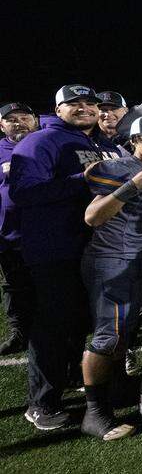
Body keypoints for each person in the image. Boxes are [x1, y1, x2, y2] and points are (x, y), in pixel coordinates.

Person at [9, 85, 121, 431]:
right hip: (54, 248)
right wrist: (81, 179)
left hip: (89, 247)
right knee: (53, 324)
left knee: (77, 321)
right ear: (58, 109)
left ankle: (69, 380)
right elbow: (23, 192)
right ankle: (41, 403)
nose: (85, 108)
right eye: (75, 104)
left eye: (90, 103)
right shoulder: (39, 142)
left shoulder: (94, 143)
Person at [79, 116, 142, 439]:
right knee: (108, 335)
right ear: (135, 141)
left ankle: (115, 392)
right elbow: (92, 216)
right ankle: (94, 414)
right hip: (111, 260)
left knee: (123, 332)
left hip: (133, 259)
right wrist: (134, 185)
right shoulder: (122, 168)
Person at [0, 102, 38, 355]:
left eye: (24, 117)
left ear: (35, 120)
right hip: (8, 233)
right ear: (1, 125)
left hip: (46, 230)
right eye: (11, 119)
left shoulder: (47, 141)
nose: (18, 122)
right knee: (12, 285)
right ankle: (19, 331)